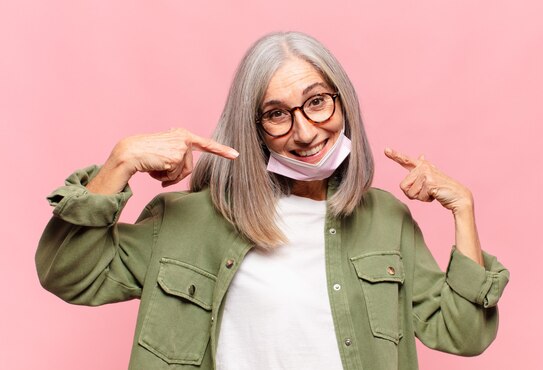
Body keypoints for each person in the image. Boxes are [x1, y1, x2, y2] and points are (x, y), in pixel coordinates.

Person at [36, 32, 509, 370]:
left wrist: (462, 210)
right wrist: (120, 163)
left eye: (317, 102)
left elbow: (464, 334)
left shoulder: (386, 220)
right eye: (276, 114)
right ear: (253, 127)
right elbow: (67, 272)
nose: (305, 132)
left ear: (343, 103)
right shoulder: (187, 219)